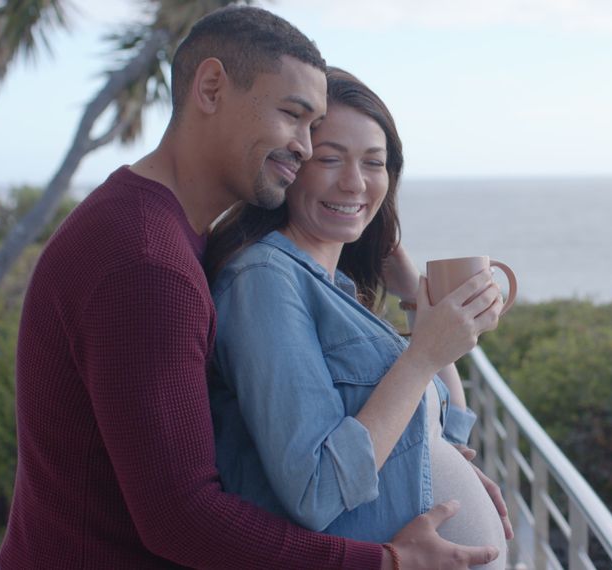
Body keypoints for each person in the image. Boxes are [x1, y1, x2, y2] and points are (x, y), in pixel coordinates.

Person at [0, 6, 498, 569]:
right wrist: (386, 563)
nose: (306, 148)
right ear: (211, 87)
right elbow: (181, 519)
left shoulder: (172, 236)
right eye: (293, 115)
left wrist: (425, 462)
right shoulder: (145, 263)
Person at [203, 67, 511, 568]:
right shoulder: (263, 280)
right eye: (330, 159)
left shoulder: (334, 287)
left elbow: (450, 426)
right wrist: (421, 356)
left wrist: (412, 291)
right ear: (290, 163)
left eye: (374, 163)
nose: (355, 182)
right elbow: (316, 488)